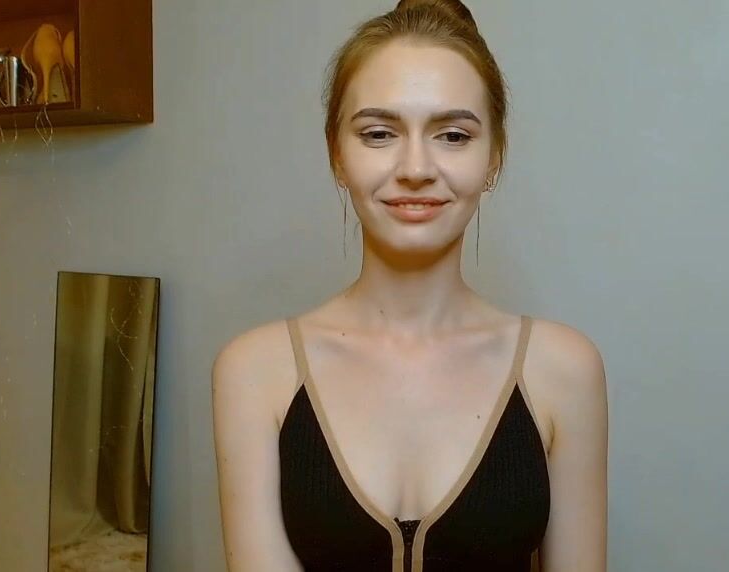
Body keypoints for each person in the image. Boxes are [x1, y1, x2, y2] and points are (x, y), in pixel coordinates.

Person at [211, 1, 608, 570]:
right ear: (337, 155)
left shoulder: (563, 370)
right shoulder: (255, 372)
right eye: (378, 133)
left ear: (494, 157)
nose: (416, 168)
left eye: (453, 135)